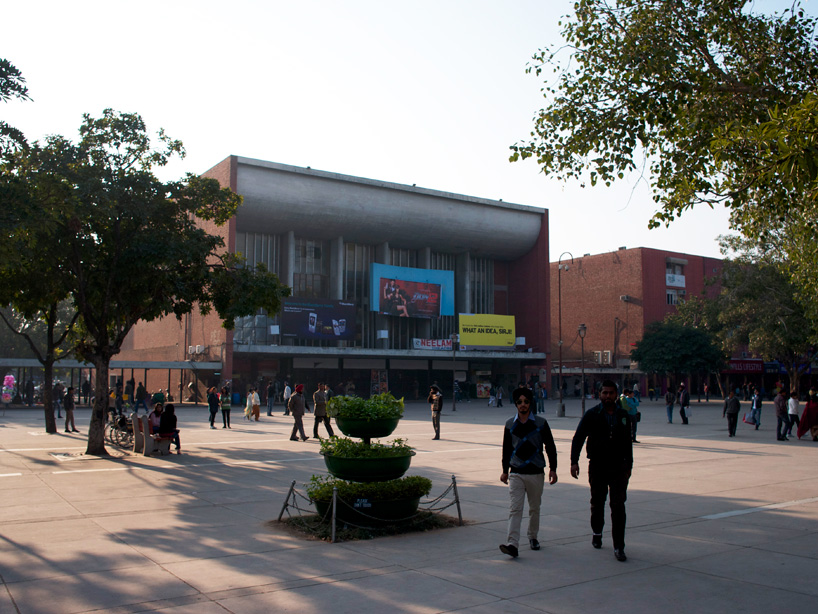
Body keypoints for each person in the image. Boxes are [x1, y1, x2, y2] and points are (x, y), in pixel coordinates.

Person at [570, 380, 633, 562]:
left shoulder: (623, 416)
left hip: (619, 467)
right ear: (599, 394)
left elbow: (628, 444)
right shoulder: (592, 414)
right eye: (605, 393)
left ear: (616, 394)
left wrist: (629, 466)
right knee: (597, 502)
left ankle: (619, 545)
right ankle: (597, 532)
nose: (608, 396)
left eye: (611, 393)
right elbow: (579, 437)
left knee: (618, 506)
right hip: (598, 466)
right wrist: (574, 462)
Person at [498, 387, 558, 558]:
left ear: (531, 403)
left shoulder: (540, 423)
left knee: (534, 508)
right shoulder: (510, 424)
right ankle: (512, 544)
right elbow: (506, 449)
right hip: (516, 472)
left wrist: (553, 468)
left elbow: (550, 447)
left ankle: (532, 536)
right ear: (515, 404)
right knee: (515, 509)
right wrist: (504, 471)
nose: (523, 405)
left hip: (536, 472)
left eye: (526, 401)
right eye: (519, 402)